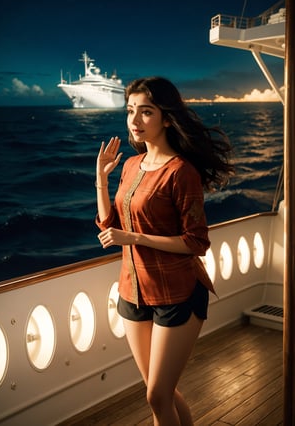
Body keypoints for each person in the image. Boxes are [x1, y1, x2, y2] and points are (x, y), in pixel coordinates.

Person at [95, 76, 234, 426]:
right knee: (163, 393)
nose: (135, 120)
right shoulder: (130, 165)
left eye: (146, 112)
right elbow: (108, 222)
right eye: (130, 111)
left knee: (157, 394)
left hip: (178, 295)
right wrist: (101, 178)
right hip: (132, 292)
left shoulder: (180, 172)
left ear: (166, 118)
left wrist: (135, 238)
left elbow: (196, 242)